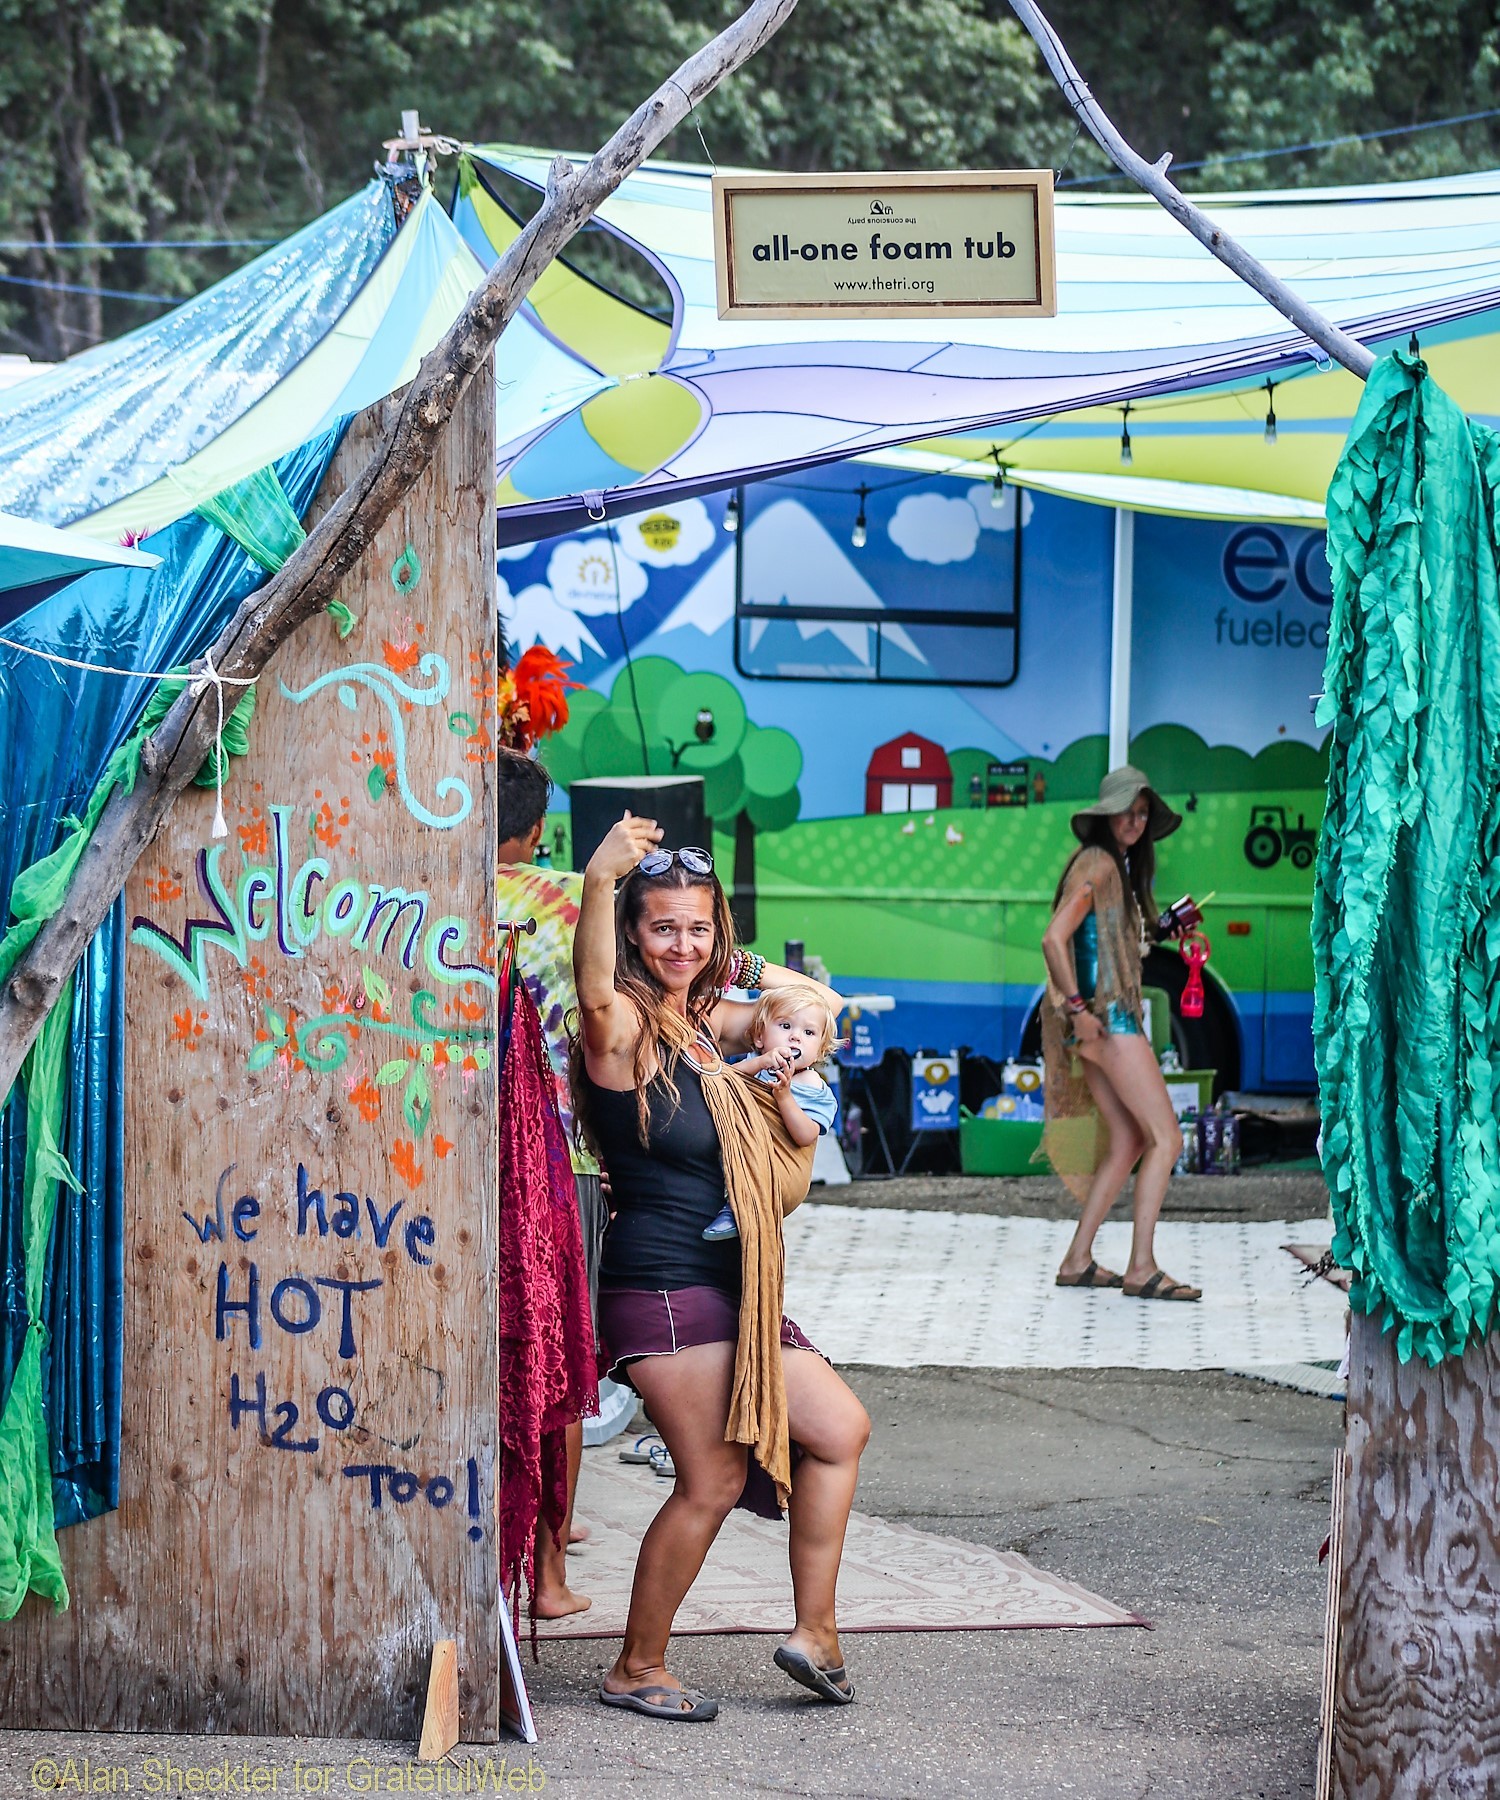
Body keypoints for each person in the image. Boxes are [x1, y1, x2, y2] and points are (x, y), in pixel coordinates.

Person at [572, 816, 871, 1721]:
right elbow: (590, 997)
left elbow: (816, 1002)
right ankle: (637, 1666)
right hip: (659, 1285)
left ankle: (814, 1634)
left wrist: (728, 962)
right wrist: (599, 881)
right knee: (713, 1479)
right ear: (632, 931)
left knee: (839, 1431)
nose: (681, 944)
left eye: (697, 928)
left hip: (731, 1286)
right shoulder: (623, 1028)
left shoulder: (705, 1021)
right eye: (662, 927)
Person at [496, 749, 601, 1619]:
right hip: (569, 1155)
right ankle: (551, 1573)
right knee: (560, 1357)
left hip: (457, 1161)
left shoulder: (424, 894)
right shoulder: (571, 900)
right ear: (535, 832)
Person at [1040, 765, 1202, 1302]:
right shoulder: (1099, 864)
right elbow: (1054, 939)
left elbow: (1098, 938)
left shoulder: (1111, 865)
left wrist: (1160, 929)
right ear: (1106, 814)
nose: (1134, 821)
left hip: (1100, 1022)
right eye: (1127, 811)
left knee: (1131, 1140)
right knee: (1167, 1138)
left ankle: (1078, 1259)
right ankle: (1141, 1268)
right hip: (1111, 1021)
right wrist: (1078, 1007)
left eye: (1142, 813)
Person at [702, 988, 840, 1242]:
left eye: (808, 1033)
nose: (796, 1037)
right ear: (758, 1037)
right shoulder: (755, 1065)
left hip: (776, 1169)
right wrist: (760, 1063)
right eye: (785, 1026)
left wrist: (784, 1096)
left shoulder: (810, 1083)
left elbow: (805, 1135)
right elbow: (721, 1084)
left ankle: (738, 1209)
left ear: (820, 1050)